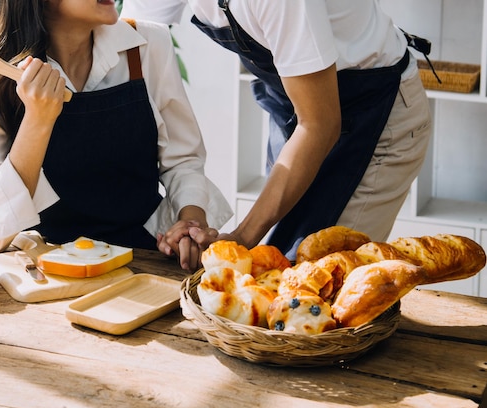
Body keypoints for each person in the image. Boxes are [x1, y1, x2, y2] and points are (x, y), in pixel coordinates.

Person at [0, 0, 232, 270]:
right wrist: (37, 120)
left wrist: (190, 223)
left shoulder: (147, 46)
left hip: (144, 264)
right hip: (44, 274)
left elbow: (183, 162)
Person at [122, 0, 432, 260]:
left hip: (376, 116)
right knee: (277, 266)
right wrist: (190, 218)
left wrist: (241, 237)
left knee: (315, 284)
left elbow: (320, 125)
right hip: (301, 115)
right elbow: (131, 42)